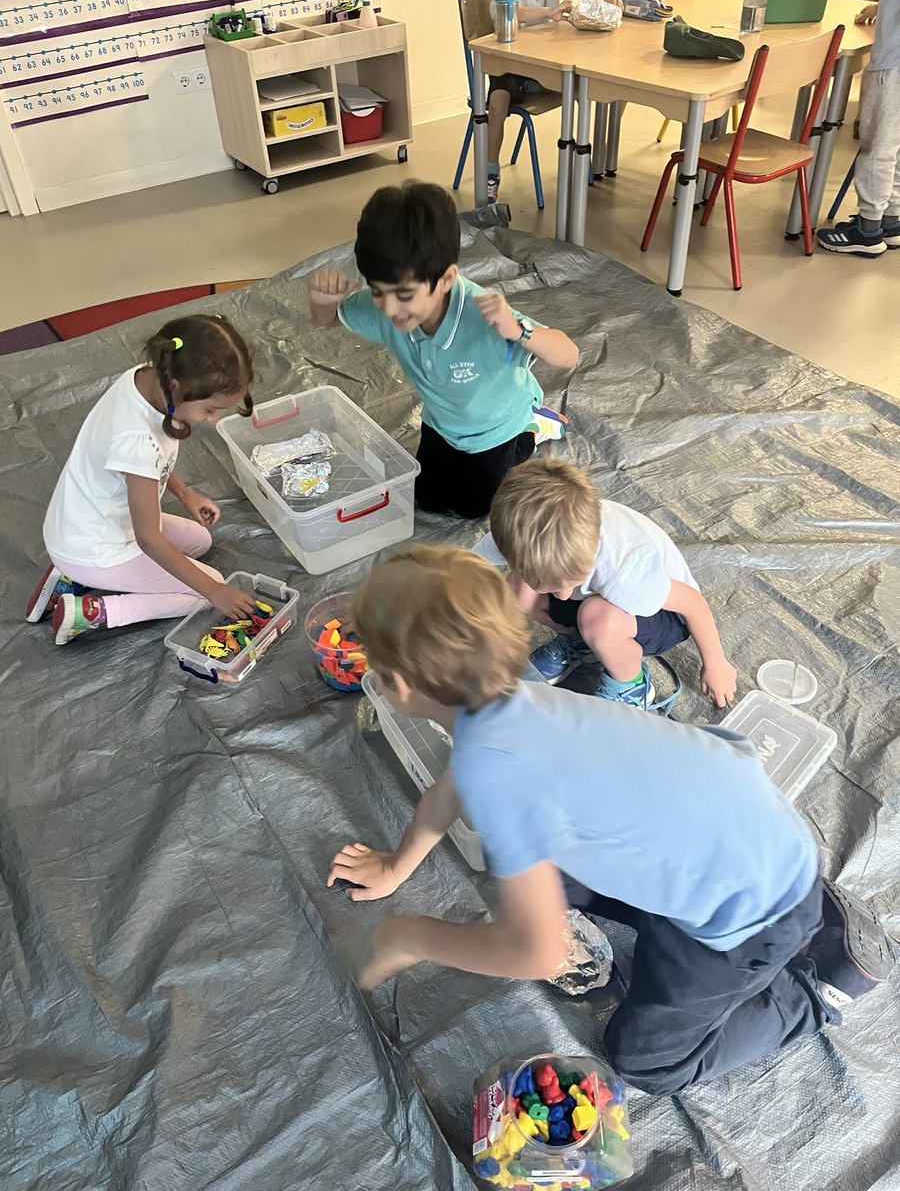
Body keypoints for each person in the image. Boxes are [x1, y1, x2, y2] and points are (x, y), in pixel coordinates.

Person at [326, 546, 892, 1096]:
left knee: (645, 1061)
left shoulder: (497, 771)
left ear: (398, 686)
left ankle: (819, 986)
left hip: (750, 916)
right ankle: (801, 906)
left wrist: (413, 935)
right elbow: (448, 790)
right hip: (755, 836)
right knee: (535, 873)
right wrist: (399, 866)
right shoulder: (515, 700)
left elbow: (538, 953)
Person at [309, 181, 578, 519]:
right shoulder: (387, 307)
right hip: (442, 421)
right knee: (428, 499)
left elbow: (569, 355)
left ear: (447, 279)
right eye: (378, 292)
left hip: (496, 426)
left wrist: (520, 331)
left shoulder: (482, 316)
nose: (391, 310)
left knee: (474, 509)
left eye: (405, 296)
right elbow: (329, 319)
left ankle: (534, 428)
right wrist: (322, 301)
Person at [25, 315, 259, 645]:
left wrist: (186, 494)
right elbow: (148, 538)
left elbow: (152, 463)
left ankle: (69, 573)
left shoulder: (145, 380)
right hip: (94, 546)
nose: (214, 419)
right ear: (177, 388)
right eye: (210, 410)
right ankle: (92, 611)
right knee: (205, 592)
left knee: (200, 542)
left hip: (81, 522)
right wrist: (214, 591)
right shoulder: (137, 440)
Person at [474, 458, 737, 708]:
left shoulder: (626, 570)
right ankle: (582, 643)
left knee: (596, 618)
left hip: (666, 614)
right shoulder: (514, 533)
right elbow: (470, 565)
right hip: (606, 598)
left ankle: (632, 685)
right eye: (553, 587)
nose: (562, 597)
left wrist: (715, 662)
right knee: (516, 590)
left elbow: (693, 604)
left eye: (566, 583)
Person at [485, 0, 623, 203]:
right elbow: (506, 12)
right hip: (509, 58)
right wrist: (548, 12)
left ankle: (583, 158)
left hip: (544, 61)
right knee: (497, 103)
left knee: (583, 89)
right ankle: (491, 173)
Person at [817, 0, 900, 256]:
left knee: (878, 146)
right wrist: (881, 6)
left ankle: (868, 229)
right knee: (894, 146)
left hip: (893, 61)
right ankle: (892, 220)